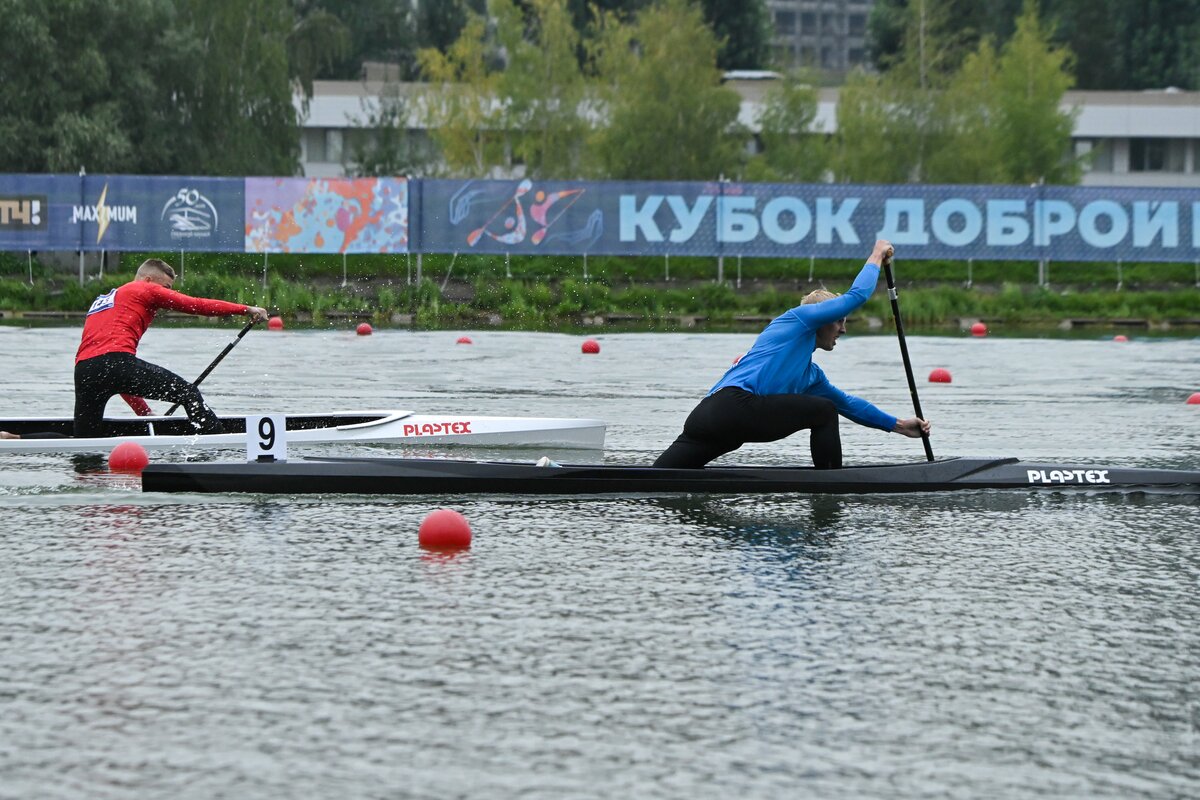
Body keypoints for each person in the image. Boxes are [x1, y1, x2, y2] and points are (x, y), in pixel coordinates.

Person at [653, 239, 930, 469]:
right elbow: (856, 296)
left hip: (708, 417)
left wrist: (898, 426)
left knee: (658, 478)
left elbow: (848, 405)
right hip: (733, 406)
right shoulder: (799, 319)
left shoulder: (810, 376)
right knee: (823, 411)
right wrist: (876, 255)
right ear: (823, 318)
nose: (843, 329)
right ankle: (831, 488)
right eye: (839, 321)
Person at [0, 258, 268, 439]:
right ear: (149, 281)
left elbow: (116, 374)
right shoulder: (144, 290)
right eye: (166, 288)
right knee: (188, 393)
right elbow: (194, 304)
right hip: (113, 363)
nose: (168, 294)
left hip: (85, 371)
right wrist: (245, 309)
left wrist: (145, 415)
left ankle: (15, 439)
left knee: (83, 442)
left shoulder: (105, 300)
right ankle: (220, 446)